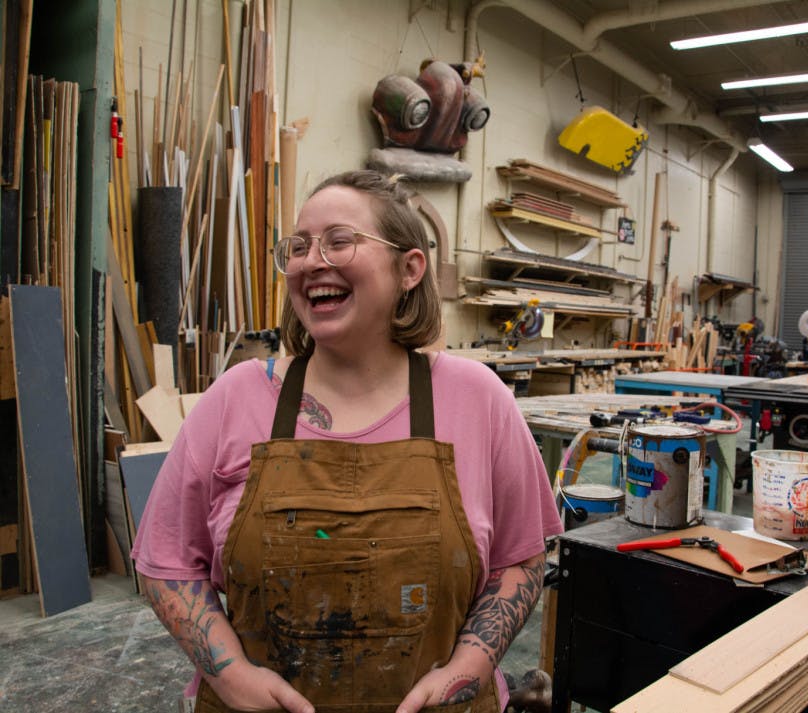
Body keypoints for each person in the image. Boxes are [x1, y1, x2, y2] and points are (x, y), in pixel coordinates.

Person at [132, 169, 563, 713]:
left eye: (339, 241)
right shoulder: (237, 397)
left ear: (409, 268)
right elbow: (165, 562)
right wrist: (232, 674)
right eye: (298, 247)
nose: (313, 261)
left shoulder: (478, 400)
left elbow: (519, 561)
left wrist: (467, 667)